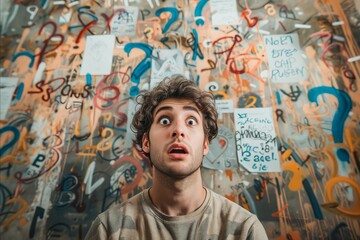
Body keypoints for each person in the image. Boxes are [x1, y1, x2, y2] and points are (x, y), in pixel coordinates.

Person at [85, 75, 268, 240]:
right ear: (146, 142)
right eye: (165, 120)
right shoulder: (109, 230)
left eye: (190, 121)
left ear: (205, 145)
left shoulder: (245, 230)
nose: (178, 131)